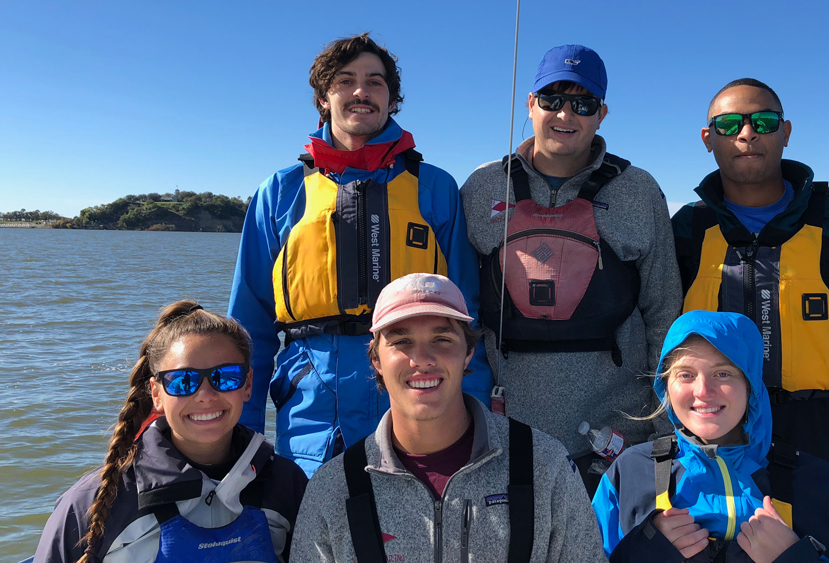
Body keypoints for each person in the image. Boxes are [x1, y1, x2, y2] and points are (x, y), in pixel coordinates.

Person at [228, 33, 491, 476]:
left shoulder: (436, 187)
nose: (360, 92)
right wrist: (241, 435)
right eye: (345, 81)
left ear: (392, 99)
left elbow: (468, 318)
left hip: (415, 394)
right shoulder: (280, 191)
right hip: (308, 410)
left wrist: (478, 416)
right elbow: (248, 328)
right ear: (323, 98)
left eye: (375, 82)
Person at [671, 78, 829, 535]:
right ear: (708, 139)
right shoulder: (686, 230)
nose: (747, 133)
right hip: (706, 433)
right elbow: (654, 337)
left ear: (785, 132)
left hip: (815, 434)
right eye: (728, 124)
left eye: (763, 121)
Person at [460, 44, 682, 493]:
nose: (566, 114)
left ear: (602, 114)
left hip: (618, 436)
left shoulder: (639, 190)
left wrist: (667, 427)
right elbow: (461, 312)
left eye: (583, 104)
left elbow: (665, 313)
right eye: (552, 99)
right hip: (504, 431)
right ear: (530, 104)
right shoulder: (482, 186)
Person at [291, 273, 607, 563]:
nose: (422, 360)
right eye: (402, 342)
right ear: (376, 359)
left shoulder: (544, 466)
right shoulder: (334, 489)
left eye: (442, 339)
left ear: (468, 351)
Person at [592, 310, 829, 563]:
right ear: (665, 386)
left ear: (751, 387)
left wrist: (794, 557)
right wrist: (640, 553)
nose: (703, 391)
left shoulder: (824, 488)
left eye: (723, 374)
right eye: (685, 375)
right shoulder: (627, 475)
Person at [34, 301, 307, 563]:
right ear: (156, 394)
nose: (206, 395)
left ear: (247, 384)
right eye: (183, 381)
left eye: (225, 377)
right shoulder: (92, 504)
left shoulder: (287, 484)